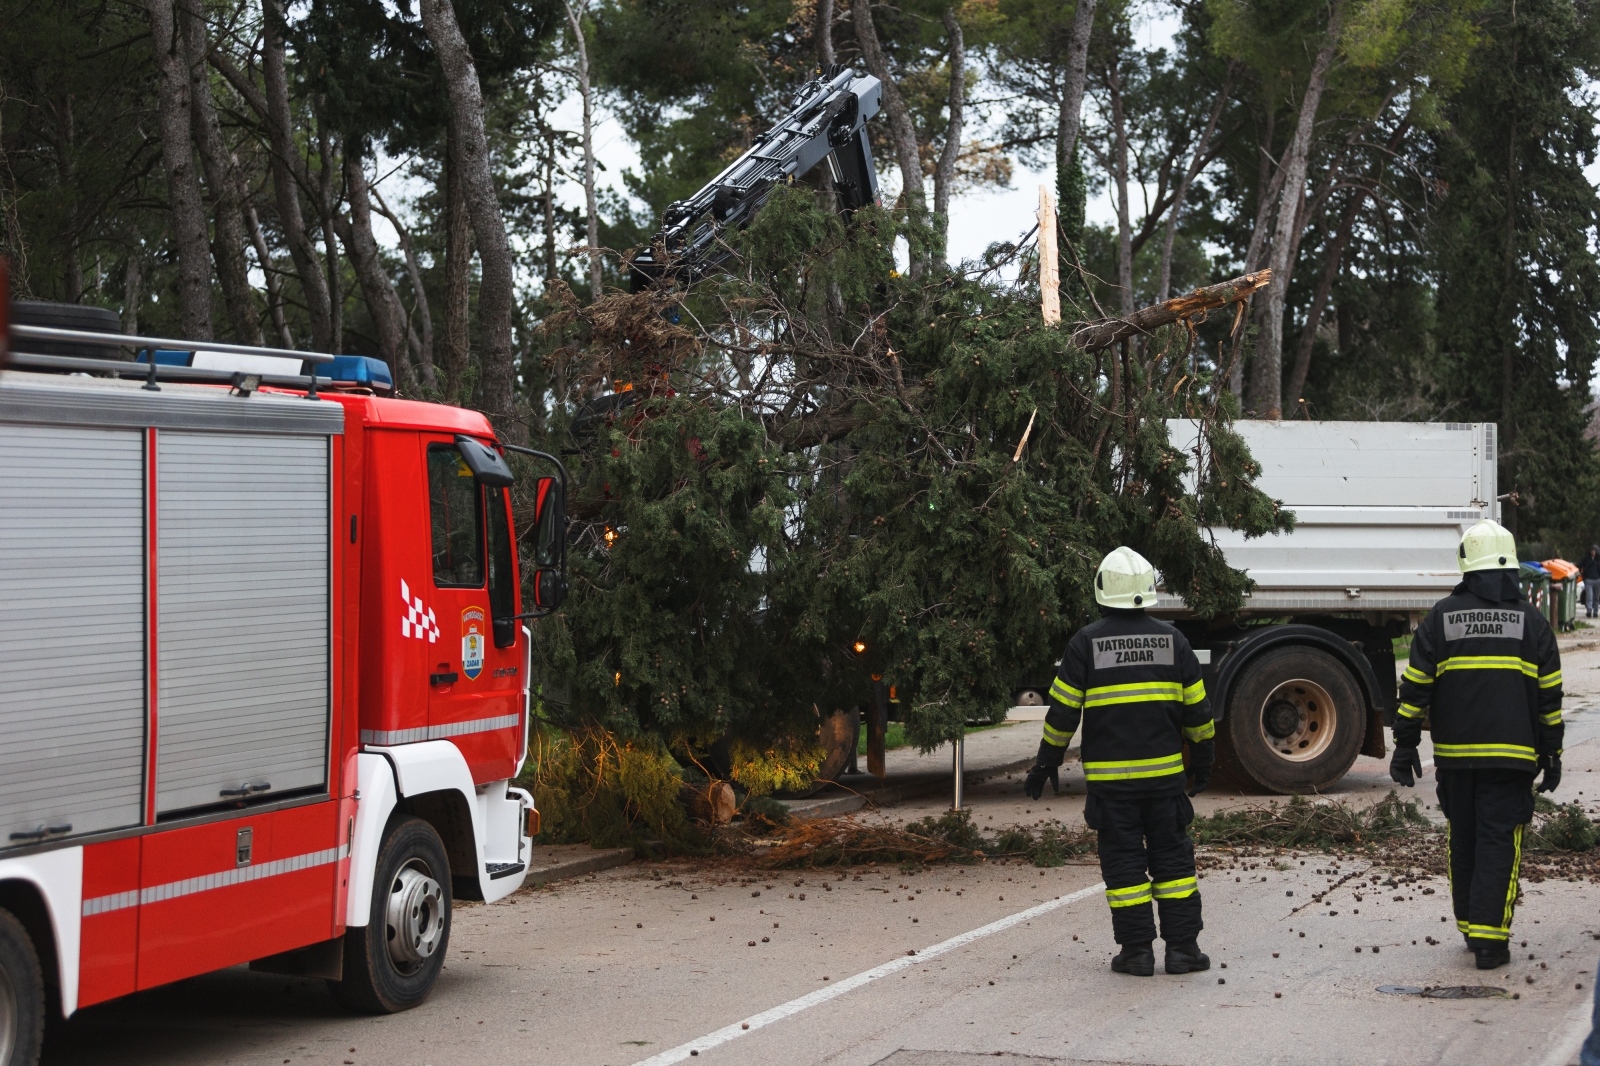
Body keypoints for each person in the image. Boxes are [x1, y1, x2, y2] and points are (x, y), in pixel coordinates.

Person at [1024, 546, 1215, 977]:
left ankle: (1137, 953)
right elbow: (1198, 713)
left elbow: (1062, 713)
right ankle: (1184, 950)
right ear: (1148, 590)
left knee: (1124, 861)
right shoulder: (1173, 640)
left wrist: (1046, 763)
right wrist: (1204, 759)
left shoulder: (1085, 642)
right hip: (1166, 781)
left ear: (1102, 591)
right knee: (1174, 860)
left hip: (1112, 787)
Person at [1390, 519, 1563, 970]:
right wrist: (1552, 751)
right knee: (1499, 841)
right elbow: (1550, 697)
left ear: (1466, 564)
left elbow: (1414, 691)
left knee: (1463, 839)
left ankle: (1471, 927)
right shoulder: (1533, 623)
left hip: (1455, 761)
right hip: (1512, 760)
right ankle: (1490, 940)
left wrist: (1405, 746)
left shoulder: (1440, 618)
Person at [1582, 545, 1600, 618]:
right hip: (1589, 580)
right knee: (1589, 596)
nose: (1593, 552)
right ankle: (1589, 610)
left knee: (1596, 597)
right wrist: (1584, 576)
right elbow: (1580, 565)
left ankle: (1595, 611)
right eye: (1592, 551)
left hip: (1597, 580)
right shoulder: (1586, 559)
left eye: (1594, 551)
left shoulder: (1598, 560)